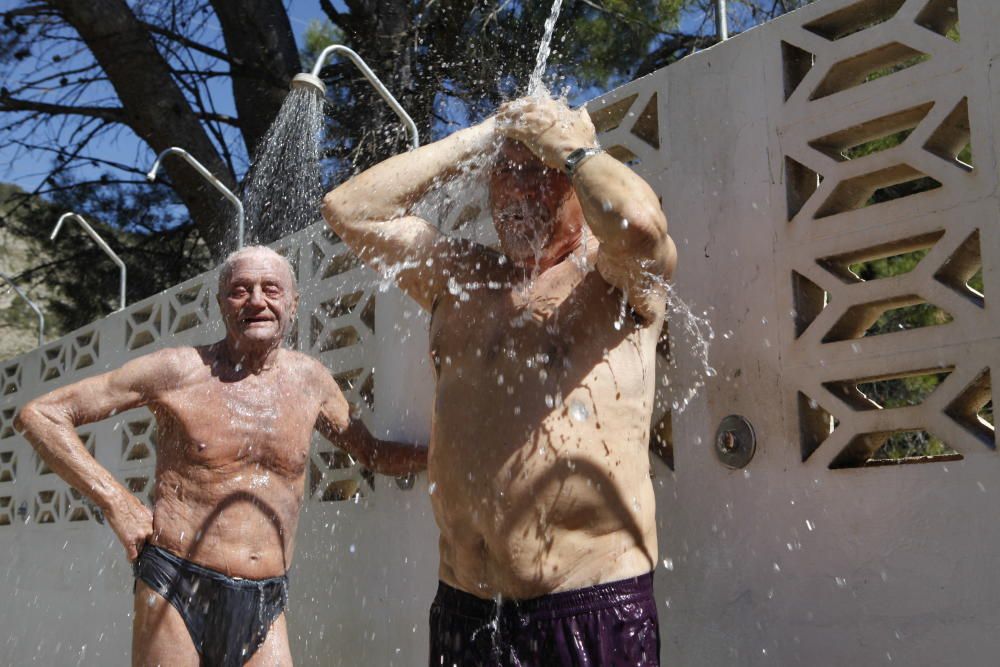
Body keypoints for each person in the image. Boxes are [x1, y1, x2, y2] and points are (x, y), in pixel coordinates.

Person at [322, 95, 677, 666]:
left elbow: (640, 226)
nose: (521, 192)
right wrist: (486, 133)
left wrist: (573, 147)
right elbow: (349, 209)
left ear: (578, 186)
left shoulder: (614, 278)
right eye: (507, 173)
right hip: (465, 609)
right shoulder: (459, 277)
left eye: (544, 175)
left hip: (589, 606)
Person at [15, 246, 426, 667]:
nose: (256, 301)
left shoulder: (311, 382)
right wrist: (117, 503)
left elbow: (372, 453)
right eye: (239, 290)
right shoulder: (178, 371)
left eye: (271, 289)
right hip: (175, 582)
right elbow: (41, 415)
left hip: (267, 595)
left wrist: (446, 458)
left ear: (293, 303)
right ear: (220, 304)